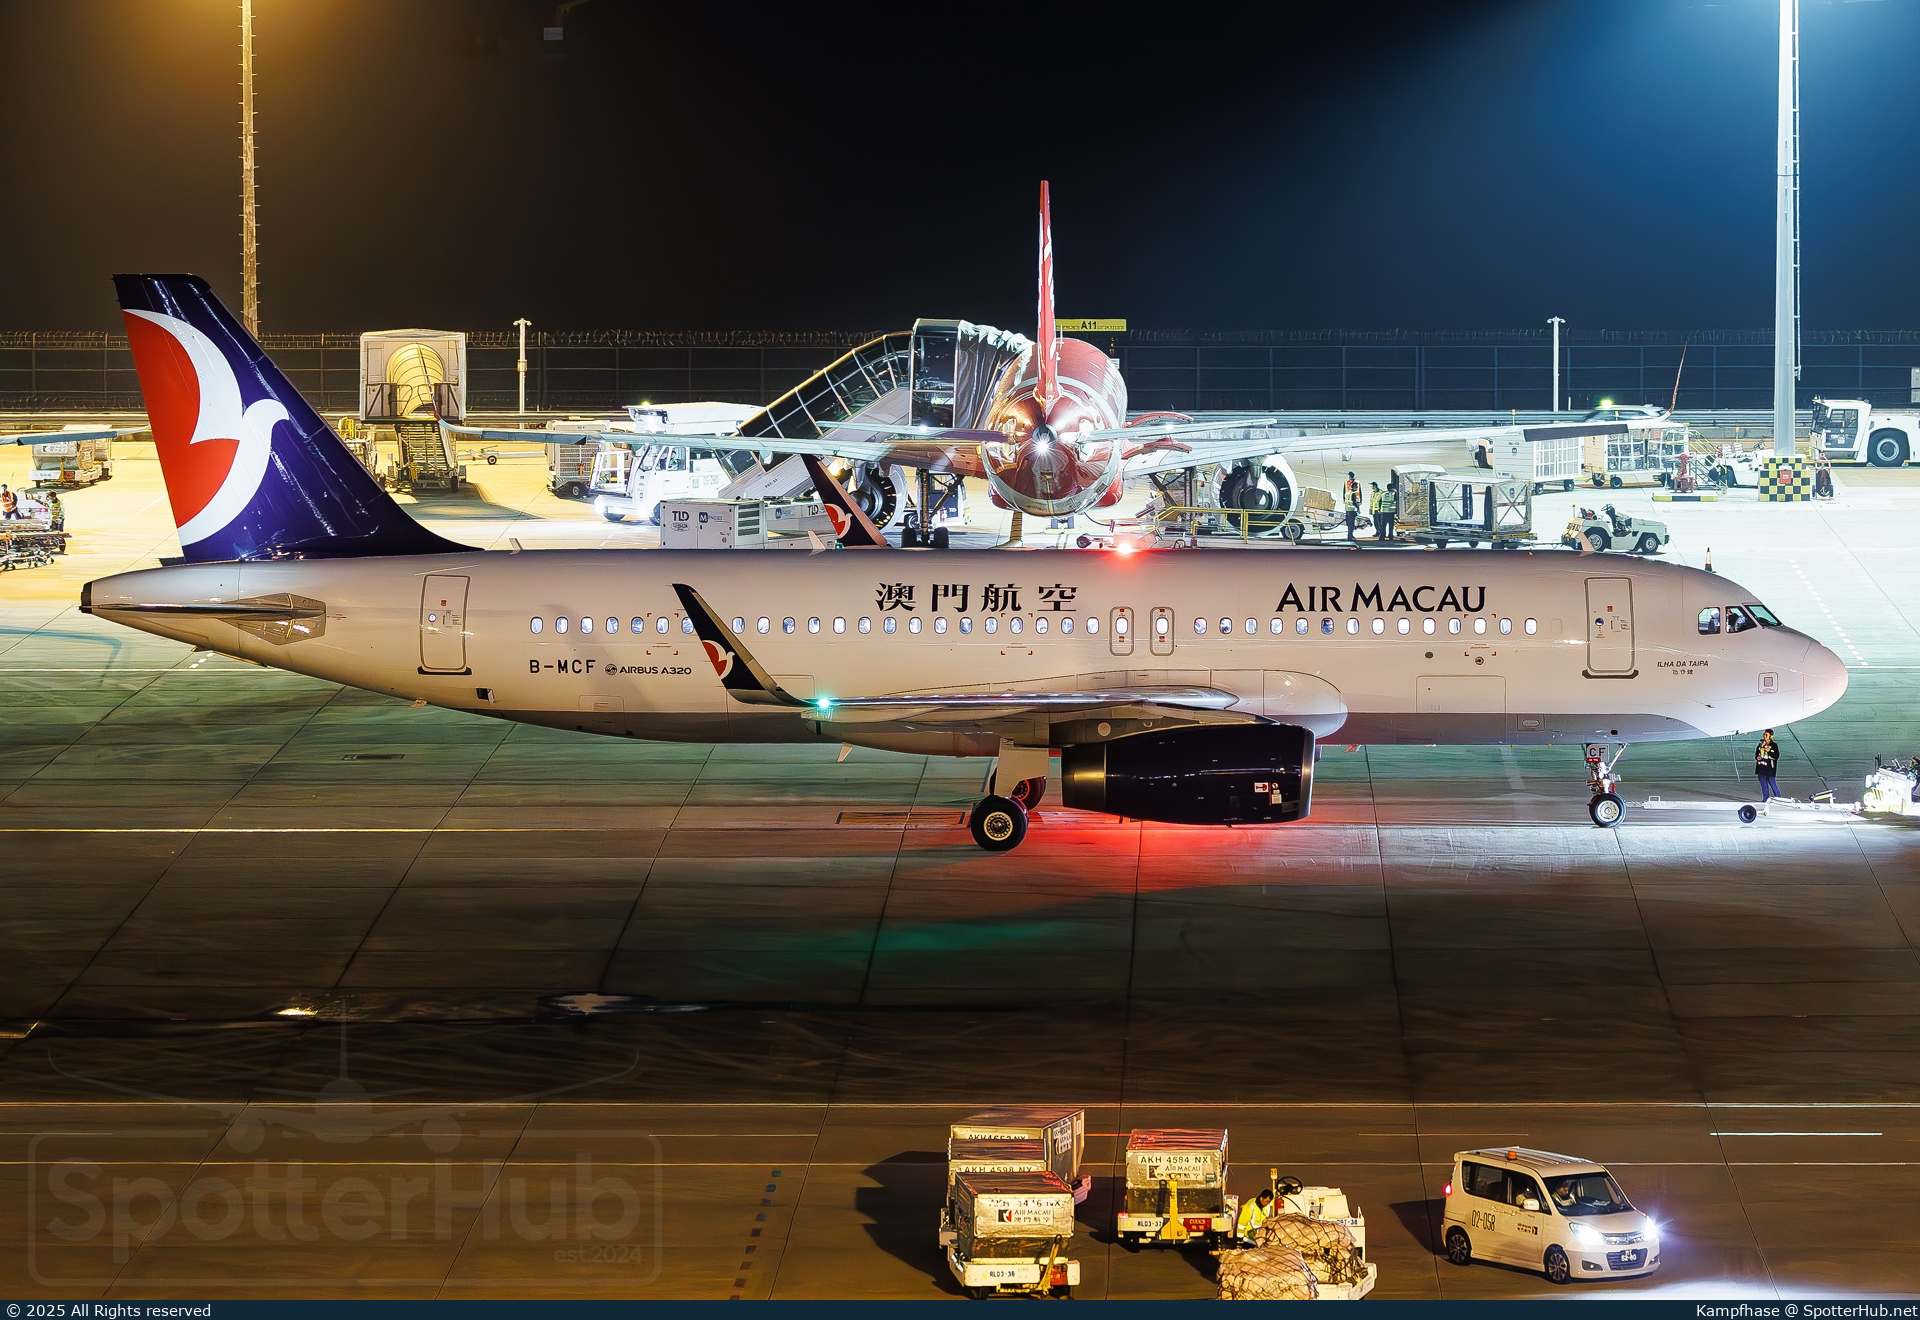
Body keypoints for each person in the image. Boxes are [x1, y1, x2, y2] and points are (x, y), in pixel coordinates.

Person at [1755, 729, 1781, 803]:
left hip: (1770, 769)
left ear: (1771, 736)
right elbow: (1757, 753)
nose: (1764, 736)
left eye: (1766, 734)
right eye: (1764, 734)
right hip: (1761, 768)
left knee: (1773, 784)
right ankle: (1765, 800)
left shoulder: (1774, 745)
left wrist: (1769, 751)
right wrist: (1757, 757)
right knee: (1764, 786)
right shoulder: (1760, 744)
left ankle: (1779, 799)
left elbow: (1776, 756)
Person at [1342, 471, 1362, 541]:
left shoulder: (1347, 490)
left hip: (1347, 508)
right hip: (1353, 508)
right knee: (1351, 524)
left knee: (1349, 524)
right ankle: (1350, 536)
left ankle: (1350, 536)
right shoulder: (1357, 484)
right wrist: (1358, 508)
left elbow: (1344, 493)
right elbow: (1355, 501)